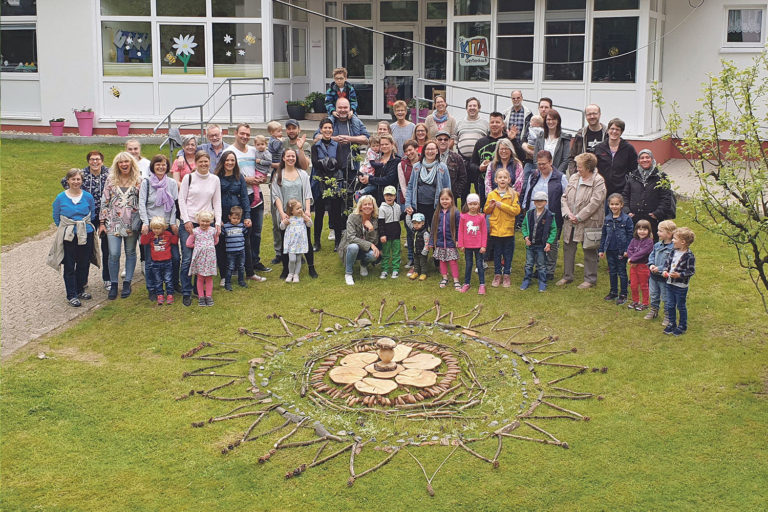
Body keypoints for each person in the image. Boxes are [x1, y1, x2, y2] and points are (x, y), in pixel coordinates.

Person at [61, 150, 110, 291]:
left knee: (107, 249)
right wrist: (75, 196)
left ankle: (107, 278)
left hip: (104, 216)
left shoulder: (108, 174)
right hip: (86, 216)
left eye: (98, 159)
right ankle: (82, 281)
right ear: (88, 161)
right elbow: (65, 181)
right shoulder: (81, 174)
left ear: (102, 160)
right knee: (84, 250)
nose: (95, 162)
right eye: (92, 159)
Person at [178, 150, 222, 306]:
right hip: (190, 222)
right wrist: (186, 220)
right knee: (188, 257)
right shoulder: (188, 178)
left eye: (206, 161)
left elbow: (217, 202)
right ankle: (186, 291)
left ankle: (200, 290)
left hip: (206, 223)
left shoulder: (215, 179)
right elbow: (181, 200)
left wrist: (217, 222)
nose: (203, 164)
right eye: (200, 161)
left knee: (203, 257)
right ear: (195, 163)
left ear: (209, 162)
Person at [49, 168, 98, 307]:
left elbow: (92, 214)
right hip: (68, 235)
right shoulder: (61, 198)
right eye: (73, 179)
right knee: (69, 264)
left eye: (78, 179)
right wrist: (66, 228)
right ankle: (71, 294)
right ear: (68, 180)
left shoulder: (88, 196)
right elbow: (56, 216)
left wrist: (83, 226)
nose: (76, 182)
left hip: (86, 233)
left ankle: (80, 288)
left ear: (82, 181)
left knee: (84, 262)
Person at [559, 152, 607, 289]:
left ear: (589, 167)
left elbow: (595, 203)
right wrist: (568, 214)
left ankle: (590, 279)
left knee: (589, 249)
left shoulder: (598, 181)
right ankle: (567, 276)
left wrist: (579, 217)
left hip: (588, 221)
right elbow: (564, 197)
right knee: (568, 247)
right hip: (570, 220)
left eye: (580, 166)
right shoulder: (574, 177)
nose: (577, 168)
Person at [230, 124, 271, 276]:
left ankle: (255, 260)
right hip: (241, 196)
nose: (245, 137)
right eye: (242, 134)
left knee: (257, 231)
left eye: (247, 134)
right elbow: (229, 173)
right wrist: (246, 180)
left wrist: (262, 177)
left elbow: (266, 164)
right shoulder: (230, 152)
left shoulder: (254, 150)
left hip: (257, 194)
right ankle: (239, 264)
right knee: (241, 231)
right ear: (235, 134)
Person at [521, 150, 568, 281]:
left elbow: (566, 196)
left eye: (544, 164)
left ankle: (549, 270)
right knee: (536, 241)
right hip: (535, 214)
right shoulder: (534, 175)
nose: (541, 166)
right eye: (539, 164)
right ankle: (538, 266)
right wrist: (525, 208)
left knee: (551, 243)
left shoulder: (560, 177)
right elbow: (528, 193)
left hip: (552, 215)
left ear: (551, 162)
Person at [100, 152, 141, 300]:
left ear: (131, 163)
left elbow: (142, 202)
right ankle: (114, 283)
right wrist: (102, 222)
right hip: (113, 223)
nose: (124, 164)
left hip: (131, 223)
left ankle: (127, 282)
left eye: (126, 162)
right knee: (114, 253)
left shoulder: (139, 180)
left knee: (130, 252)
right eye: (121, 162)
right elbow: (104, 202)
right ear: (117, 165)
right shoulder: (111, 180)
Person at [271, 148, 317, 280]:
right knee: (286, 242)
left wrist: (307, 211)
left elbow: (308, 194)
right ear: (283, 158)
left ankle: (311, 267)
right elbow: (276, 196)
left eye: (293, 156)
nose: (291, 158)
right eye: (288, 156)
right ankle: (286, 269)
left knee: (306, 240)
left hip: (300, 215)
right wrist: (282, 213)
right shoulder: (277, 176)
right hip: (287, 216)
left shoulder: (302, 174)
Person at [139, 154, 179, 300]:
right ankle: (153, 289)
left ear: (167, 167)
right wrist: (145, 222)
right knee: (150, 261)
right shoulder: (147, 183)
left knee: (175, 257)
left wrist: (173, 222)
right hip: (152, 225)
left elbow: (175, 205)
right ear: (153, 166)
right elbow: (142, 204)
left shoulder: (172, 183)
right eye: (158, 164)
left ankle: (173, 284)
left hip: (167, 224)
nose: (161, 167)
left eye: (163, 164)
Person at [214, 150, 257, 285]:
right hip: (222, 214)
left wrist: (247, 216)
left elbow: (245, 198)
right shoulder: (216, 178)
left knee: (244, 242)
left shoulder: (239, 177)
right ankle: (223, 275)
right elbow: (212, 199)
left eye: (232, 160)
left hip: (237, 214)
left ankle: (249, 272)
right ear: (223, 162)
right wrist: (217, 218)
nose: (230, 163)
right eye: (227, 160)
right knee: (221, 244)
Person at [470, 111, 523, 208]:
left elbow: (521, 157)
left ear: (503, 124)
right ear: (489, 124)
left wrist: (513, 140)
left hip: (509, 190)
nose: (494, 125)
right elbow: (472, 164)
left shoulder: (508, 140)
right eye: (492, 122)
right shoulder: (481, 142)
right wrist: (479, 168)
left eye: (497, 122)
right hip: (485, 185)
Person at [623, 149, 674, 241]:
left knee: (651, 243)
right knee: (634, 243)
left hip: (652, 218)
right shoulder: (632, 176)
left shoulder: (661, 176)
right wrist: (627, 211)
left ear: (652, 159)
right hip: (634, 217)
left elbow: (666, 197)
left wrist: (657, 213)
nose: (645, 160)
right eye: (642, 158)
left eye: (647, 157)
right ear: (638, 161)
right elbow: (625, 195)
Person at [484, 168, 521, 288]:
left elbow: (516, 210)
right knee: (497, 253)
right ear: (495, 180)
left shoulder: (513, 194)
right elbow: (486, 210)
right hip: (495, 229)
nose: (502, 179)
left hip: (508, 229)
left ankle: (507, 275)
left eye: (505, 177)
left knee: (508, 253)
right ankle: (497, 274)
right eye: (500, 177)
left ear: (509, 180)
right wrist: (490, 206)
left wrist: (501, 205)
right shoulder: (491, 194)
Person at [311, 118, 344, 251]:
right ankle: (317, 242)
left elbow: (340, 164)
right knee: (318, 214)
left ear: (333, 130)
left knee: (336, 214)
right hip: (319, 183)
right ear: (320, 130)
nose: (328, 130)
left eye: (330, 128)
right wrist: (330, 162)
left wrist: (324, 162)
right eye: (325, 128)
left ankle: (338, 242)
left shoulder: (338, 146)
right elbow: (315, 163)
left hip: (334, 182)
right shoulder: (315, 146)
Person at [598, 193, 634, 304]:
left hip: (621, 250)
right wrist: (601, 249)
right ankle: (613, 292)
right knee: (612, 271)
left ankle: (623, 294)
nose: (614, 206)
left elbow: (630, 236)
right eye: (612, 204)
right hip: (610, 249)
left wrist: (627, 250)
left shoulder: (626, 219)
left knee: (621, 272)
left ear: (621, 205)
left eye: (617, 204)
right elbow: (604, 235)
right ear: (609, 205)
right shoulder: (607, 219)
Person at [405, 140, 451, 225]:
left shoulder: (442, 167)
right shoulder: (416, 167)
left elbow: (447, 188)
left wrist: (446, 205)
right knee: (419, 234)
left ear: (437, 151)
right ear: (424, 151)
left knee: (435, 233)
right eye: (427, 149)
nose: (430, 151)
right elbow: (410, 187)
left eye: (433, 149)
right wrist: (408, 204)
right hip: (418, 206)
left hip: (435, 207)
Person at [338, 194, 380, 286]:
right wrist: (370, 245)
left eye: (370, 204)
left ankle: (363, 265)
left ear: (373, 207)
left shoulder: (375, 219)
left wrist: (371, 229)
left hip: (364, 249)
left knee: (374, 254)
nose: (367, 206)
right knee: (354, 247)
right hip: (349, 247)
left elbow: (375, 241)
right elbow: (351, 238)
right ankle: (348, 273)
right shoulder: (352, 217)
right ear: (360, 206)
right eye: (365, 204)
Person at [661, 227, 696, 336]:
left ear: (683, 242)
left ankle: (682, 325)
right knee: (670, 305)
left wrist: (679, 275)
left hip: (680, 286)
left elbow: (690, 271)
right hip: (670, 283)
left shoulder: (689, 256)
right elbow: (667, 264)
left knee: (680, 306)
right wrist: (665, 271)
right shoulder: (673, 252)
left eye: (675, 238)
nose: (672, 240)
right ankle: (672, 323)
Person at [521, 191, 557, 292]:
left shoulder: (550, 216)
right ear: (534, 202)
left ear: (545, 202)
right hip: (530, 244)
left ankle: (542, 281)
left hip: (541, 245)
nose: (539, 203)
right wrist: (525, 237)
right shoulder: (529, 214)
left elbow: (553, 230)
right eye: (537, 201)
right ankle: (527, 280)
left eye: (541, 201)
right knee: (529, 263)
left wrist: (549, 242)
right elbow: (524, 226)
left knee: (541, 264)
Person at [594, 118, 638, 201]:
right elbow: (594, 168)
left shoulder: (628, 148)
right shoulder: (599, 148)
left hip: (621, 189)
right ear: (608, 130)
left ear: (621, 132)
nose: (614, 132)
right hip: (602, 188)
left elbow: (634, 169)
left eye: (617, 129)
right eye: (612, 129)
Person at [456, 97, 489, 204]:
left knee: (479, 188)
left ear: (479, 108)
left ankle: (479, 212)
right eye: (470, 106)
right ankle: (465, 213)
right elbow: (456, 140)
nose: (472, 108)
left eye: (474, 106)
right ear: (466, 108)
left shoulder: (485, 123)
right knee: (464, 190)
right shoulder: (460, 123)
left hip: (478, 162)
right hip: (463, 161)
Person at [139, 216, 178, 305]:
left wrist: (176, 233)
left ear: (163, 227)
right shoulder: (151, 235)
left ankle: (170, 294)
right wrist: (144, 233)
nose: (156, 230)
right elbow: (144, 242)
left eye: (158, 228)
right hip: (155, 262)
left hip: (167, 261)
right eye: (154, 228)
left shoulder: (167, 234)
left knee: (168, 279)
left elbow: (174, 241)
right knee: (158, 280)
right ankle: (159, 294)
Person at [185, 210, 219, 307]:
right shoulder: (195, 232)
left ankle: (208, 296)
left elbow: (216, 241)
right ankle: (201, 297)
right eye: (202, 221)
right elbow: (188, 243)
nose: (204, 223)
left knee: (209, 277)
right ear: (199, 221)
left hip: (210, 258)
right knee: (200, 277)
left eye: (207, 221)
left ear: (210, 222)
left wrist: (208, 247)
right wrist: (198, 246)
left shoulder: (213, 231)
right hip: (200, 258)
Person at [430, 188, 461, 290]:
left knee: (452, 261)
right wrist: (431, 242)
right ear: (439, 200)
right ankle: (445, 278)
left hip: (451, 242)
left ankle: (456, 280)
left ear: (451, 199)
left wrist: (457, 240)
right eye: (442, 199)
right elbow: (433, 228)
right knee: (442, 261)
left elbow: (459, 228)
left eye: (447, 199)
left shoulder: (455, 212)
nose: (444, 201)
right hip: (439, 242)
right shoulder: (437, 213)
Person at [647, 219, 677, 324]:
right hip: (653, 276)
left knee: (666, 297)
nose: (657, 232)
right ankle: (654, 310)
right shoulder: (657, 245)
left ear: (669, 234)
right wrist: (651, 265)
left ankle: (668, 315)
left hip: (664, 278)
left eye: (660, 231)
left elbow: (671, 263)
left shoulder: (674, 249)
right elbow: (652, 255)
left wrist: (659, 268)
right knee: (654, 294)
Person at [457, 193, 487, 295]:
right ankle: (466, 283)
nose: (473, 206)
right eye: (471, 204)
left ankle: (482, 284)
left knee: (479, 265)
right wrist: (461, 244)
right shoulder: (463, 217)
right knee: (468, 264)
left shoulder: (481, 217)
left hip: (478, 246)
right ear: (467, 204)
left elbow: (484, 232)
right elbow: (460, 231)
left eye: (475, 204)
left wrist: (483, 245)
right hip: (468, 246)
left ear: (478, 204)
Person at [398, 140, 420, 268]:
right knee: (410, 231)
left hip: (422, 200)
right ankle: (411, 257)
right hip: (407, 201)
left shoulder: (423, 161)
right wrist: (409, 203)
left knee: (423, 230)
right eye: (406, 151)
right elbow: (403, 186)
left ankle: (423, 257)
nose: (409, 153)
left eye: (411, 150)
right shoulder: (402, 165)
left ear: (417, 149)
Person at [568, 104, 607, 175]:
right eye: (589, 114)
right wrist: (573, 175)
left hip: (603, 177)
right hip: (584, 177)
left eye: (594, 114)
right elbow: (572, 157)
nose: (592, 116)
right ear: (585, 116)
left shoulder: (608, 134)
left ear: (599, 114)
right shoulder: (580, 134)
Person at [280, 198, 312, 283]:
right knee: (292, 259)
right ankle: (290, 273)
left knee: (298, 259)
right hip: (291, 243)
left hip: (300, 242)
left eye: (301, 207)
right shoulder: (289, 218)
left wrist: (305, 217)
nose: (300, 210)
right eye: (297, 209)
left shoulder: (302, 218)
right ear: (291, 211)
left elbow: (310, 224)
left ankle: (296, 274)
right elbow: (282, 227)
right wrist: (284, 223)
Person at [626, 219, 654, 311]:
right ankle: (635, 301)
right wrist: (632, 260)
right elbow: (629, 250)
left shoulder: (649, 242)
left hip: (643, 266)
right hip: (633, 266)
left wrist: (632, 259)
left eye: (645, 229)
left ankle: (645, 303)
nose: (642, 232)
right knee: (633, 285)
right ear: (636, 230)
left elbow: (643, 252)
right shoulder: (634, 240)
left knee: (644, 285)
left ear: (649, 231)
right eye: (640, 229)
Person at [532, 109, 571, 174]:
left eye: (553, 119)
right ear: (545, 121)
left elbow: (565, 160)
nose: (551, 122)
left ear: (558, 121)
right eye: (548, 119)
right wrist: (541, 171)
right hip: (541, 174)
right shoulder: (540, 137)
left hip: (558, 175)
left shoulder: (564, 138)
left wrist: (556, 174)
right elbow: (536, 158)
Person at [436, 130, 467, 204]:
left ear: (449, 141)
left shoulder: (457, 158)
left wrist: (455, 193)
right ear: (436, 141)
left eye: (445, 139)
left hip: (451, 196)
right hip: (434, 195)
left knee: (451, 215)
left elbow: (463, 177)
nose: (443, 141)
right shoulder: (431, 156)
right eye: (440, 139)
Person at [221, 206, 248, 291]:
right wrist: (221, 226)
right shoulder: (226, 227)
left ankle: (241, 280)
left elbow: (246, 234)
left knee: (241, 266)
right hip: (230, 252)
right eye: (234, 218)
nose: (236, 220)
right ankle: (227, 283)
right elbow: (221, 234)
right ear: (229, 217)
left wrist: (247, 226)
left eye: (238, 218)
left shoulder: (241, 226)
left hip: (241, 250)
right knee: (230, 267)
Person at [378, 185, 402, 279]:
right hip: (386, 235)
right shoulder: (382, 208)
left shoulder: (398, 207)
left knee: (396, 252)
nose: (389, 197)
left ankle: (395, 269)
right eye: (387, 195)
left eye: (391, 195)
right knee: (386, 253)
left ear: (395, 196)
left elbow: (399, 218)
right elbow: (380, 223)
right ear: (384, 196)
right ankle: (385, 270)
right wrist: (382, 234)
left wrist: (406, 213)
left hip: (396, 234)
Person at [406, 212, 430, 280]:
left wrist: (425, 250)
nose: (416, 225)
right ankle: (416, 272)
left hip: (423, 251)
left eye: (418, 223)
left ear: (423, 223)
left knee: (423, 263)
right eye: (414, 223)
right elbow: (408, 222)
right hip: (415, 250)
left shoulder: (425, 233)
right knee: (416, 262)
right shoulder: (414, 230)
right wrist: (408, 215)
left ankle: (423, 273)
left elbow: (427, 243)